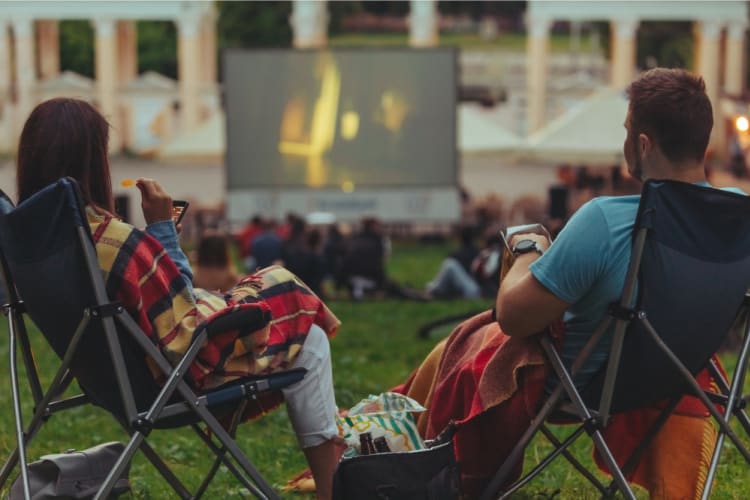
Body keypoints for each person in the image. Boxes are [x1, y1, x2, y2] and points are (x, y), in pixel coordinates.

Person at [394, 68, 743, 498]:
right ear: (703, 142)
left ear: (643, 144)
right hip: (678, 378)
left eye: (627, 130)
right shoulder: (740, 219)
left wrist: (527, 250)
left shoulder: (606, 222)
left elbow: (515, 319)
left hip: (583, 385)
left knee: (471, 342)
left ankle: (413, 456)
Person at [15, 98, 341, 500]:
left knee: (271, 295)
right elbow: (185, 331)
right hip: (172, 384)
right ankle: (332, 489)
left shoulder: (27, 247)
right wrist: (162, 230)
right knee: (307, 334)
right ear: (93, 162)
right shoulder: (116, 243)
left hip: (108, 384)